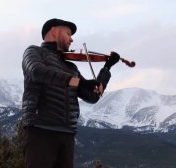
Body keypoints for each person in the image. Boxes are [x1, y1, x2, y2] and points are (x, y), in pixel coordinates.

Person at [21, 18, 120, 168]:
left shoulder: (71, 67)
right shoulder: (34, 52)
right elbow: (37, 72)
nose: (72, 39)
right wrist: (78, 82)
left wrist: (107, 67)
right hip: (40, 130)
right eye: (68, 33)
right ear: (54, 32)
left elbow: (92, 95)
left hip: (67, 134)